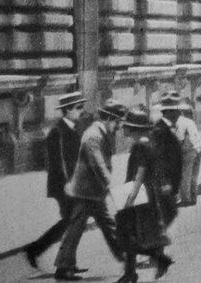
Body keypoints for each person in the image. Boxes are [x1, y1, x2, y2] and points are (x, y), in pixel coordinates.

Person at [54, 100, 128, 281]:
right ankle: (63, 268)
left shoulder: (100, 132)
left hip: (93, 190)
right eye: (118, 122)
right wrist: (108, 182)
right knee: (78, 227)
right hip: (87, 191)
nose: (119, 126)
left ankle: (126, 257)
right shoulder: (93, 135)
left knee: (104, 225)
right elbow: (97, 162)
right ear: (110, 118)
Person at [24, 92, 86, 269]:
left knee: (71, 222)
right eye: (78, 108)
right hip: (63, 186)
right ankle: (38, 251)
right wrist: (68, 183)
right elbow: (58, 162)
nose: (81, 111)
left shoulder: (74, 128)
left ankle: (41, 251)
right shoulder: (57, 132)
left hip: (73, 184)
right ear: (67, 110)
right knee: (71, 222)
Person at [116, 107, 175, 283]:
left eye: (127, 126)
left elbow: (140, 172)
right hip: (149, 194)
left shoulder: (140, 145)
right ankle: (133, 272)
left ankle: (135, 272)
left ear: (134, 128)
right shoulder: (148, 142)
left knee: (130, 233)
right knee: (137, 233)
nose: (124, 129)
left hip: (140, 194)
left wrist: (131, 197)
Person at [163, 95, 201, 207]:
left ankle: (185, 199)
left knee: (185, 175)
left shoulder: (180, 123)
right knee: (194, 175)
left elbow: (179, 141)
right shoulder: (190, 122)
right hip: (198, 149)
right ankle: (193, 198)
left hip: (188, 152)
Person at [153, 94, 185, 223]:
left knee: (169, 214)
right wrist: (164, 182)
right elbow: (158, 158)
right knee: (168, 214)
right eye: (178, 111)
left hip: (170, 183)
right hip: (164, 184)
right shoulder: (160, 130)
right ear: (170, 112)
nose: (180, 114)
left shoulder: (166, 128)